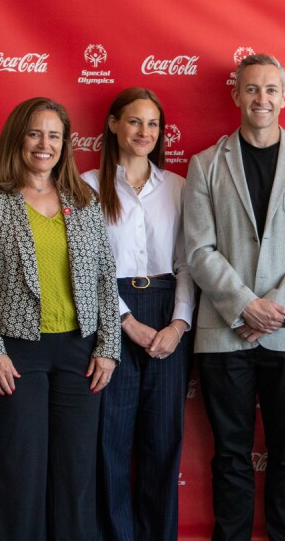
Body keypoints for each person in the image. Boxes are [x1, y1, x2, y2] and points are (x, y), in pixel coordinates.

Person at [183, 53, 285, 540]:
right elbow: (197, 248)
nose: (261, 99)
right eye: (252, 89)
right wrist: (244, 305)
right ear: (236, 95)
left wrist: (272, 310)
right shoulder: (205, 164)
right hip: (224, 333)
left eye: (271, 89)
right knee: (229, 454)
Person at [0, 97, 120, 540]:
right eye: (35, 133)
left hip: (78, 353)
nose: (44, 144)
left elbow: (106, 277)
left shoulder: (82, 200)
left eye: (54, 135)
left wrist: (108, 348)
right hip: (15, 354)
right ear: (18, 138)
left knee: (75, 478)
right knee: (16, 478)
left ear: (65, 143)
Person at [83, 87, 196, 540]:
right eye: (134, 121)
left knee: (163, 445)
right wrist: (126, 323)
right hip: (111, 318)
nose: (144, 132)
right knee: (110, 444)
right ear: (113, 124)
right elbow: (87, 267)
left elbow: (189, 260)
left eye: (153, 124)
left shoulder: (178, 186)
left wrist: (179, 323)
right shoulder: (86, 185)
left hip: (169, 311)